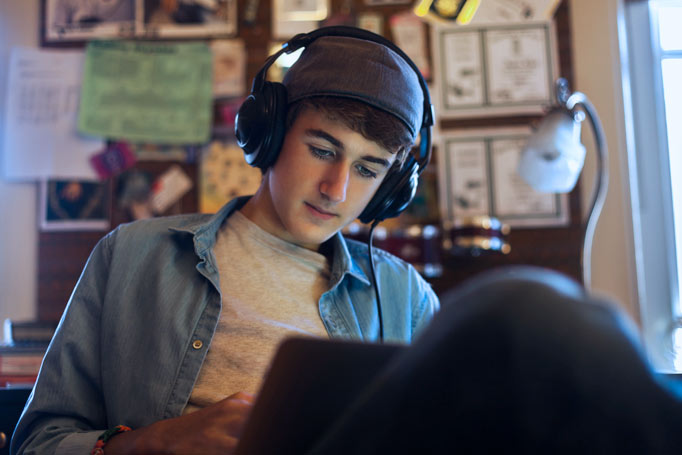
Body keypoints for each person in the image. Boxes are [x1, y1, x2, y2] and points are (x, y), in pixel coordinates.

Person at [11, 27, 439, 454]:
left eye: (368, 169)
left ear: (392, 186)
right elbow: (36, 444)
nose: (337, 189)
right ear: (268, 135)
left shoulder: (408, 299)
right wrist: (154, 442)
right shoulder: (130, 254)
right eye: (322, 150)